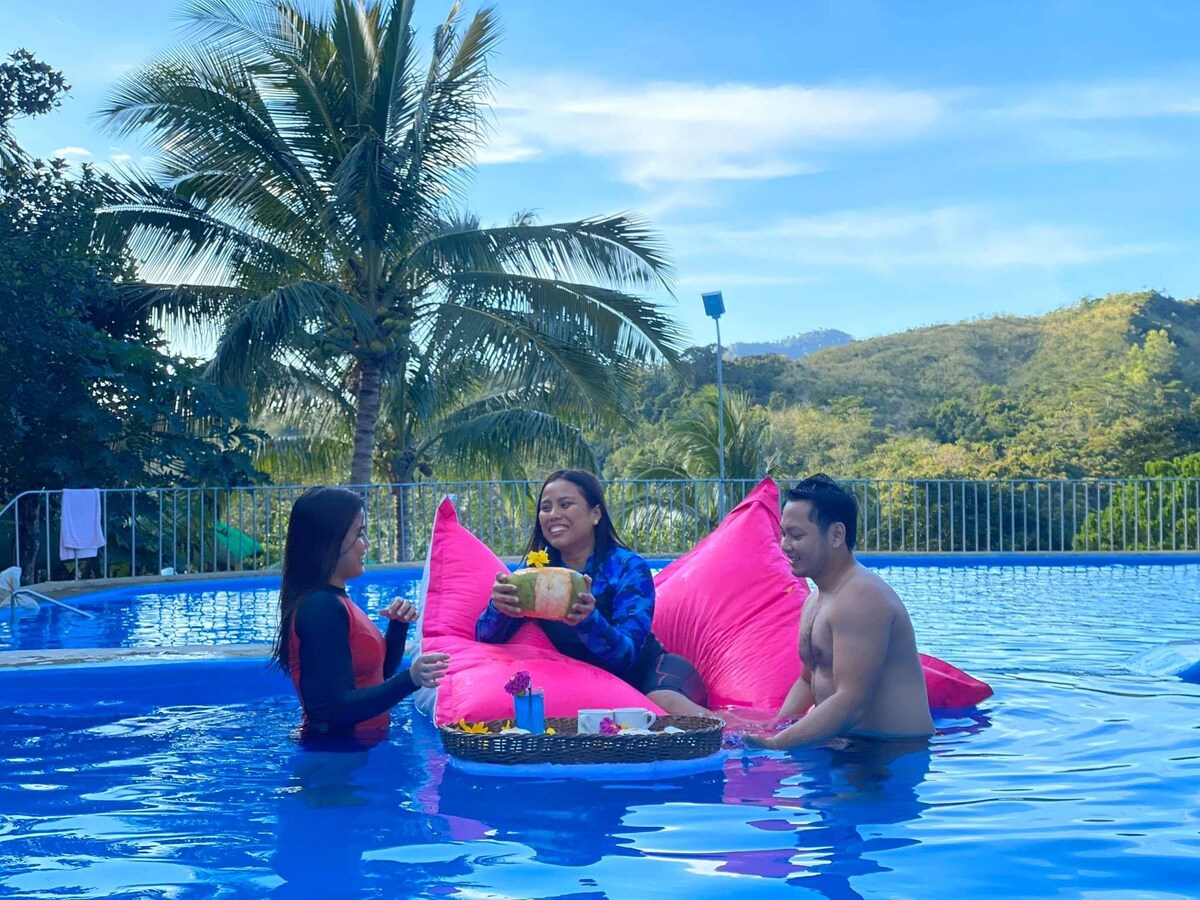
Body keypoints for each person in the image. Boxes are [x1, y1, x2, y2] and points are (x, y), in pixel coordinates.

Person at [475, 469, 709, 717]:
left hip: (652, 676)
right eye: (545, 508)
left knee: (663, 704)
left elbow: (627, 657)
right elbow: (485, 640)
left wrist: (589, 622)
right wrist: (499, 609)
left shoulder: (628, 567)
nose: (553, 515)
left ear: (595, 514)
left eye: (565, 504)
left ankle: (736, 728)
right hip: (585, 685)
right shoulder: (536, 572)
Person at [747, 474, 933, 750]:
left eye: (796, 535)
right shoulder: (815, 600)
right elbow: (807, 681)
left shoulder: (862, 598)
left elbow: (852, 701)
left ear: (836, 535)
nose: (785, 545)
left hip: (891, 753)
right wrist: (776, 725)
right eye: (783, 534)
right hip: (849, 745)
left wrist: (775, 746)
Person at [270, 486, 449, 741]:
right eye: (359, 534)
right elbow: (339, 709)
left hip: (353, 751)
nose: (366, 543)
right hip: (335, 755)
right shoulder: (320, 607)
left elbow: (377, 677)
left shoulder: (336, 600)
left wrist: (398, 627)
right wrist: (411, 679)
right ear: (330, 540)